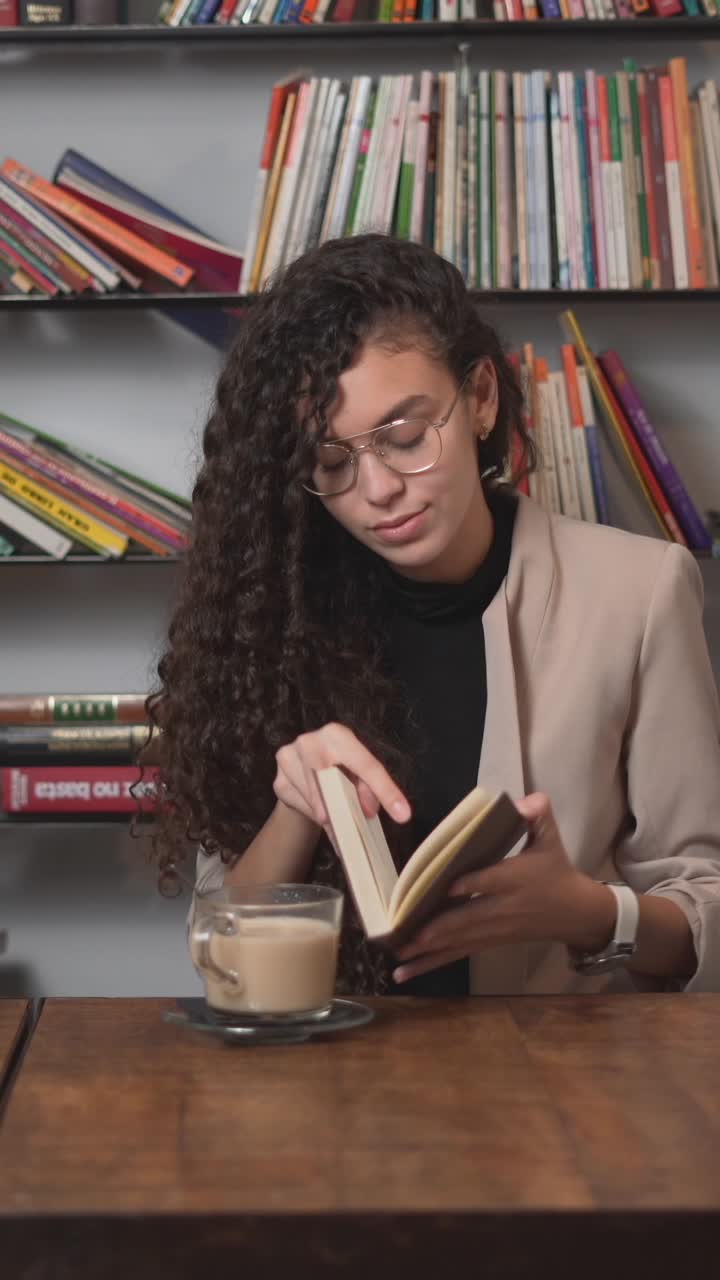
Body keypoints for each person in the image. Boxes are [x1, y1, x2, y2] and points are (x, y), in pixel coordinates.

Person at [147, 232, 720, 996]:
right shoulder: (274, 623)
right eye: (332, 461)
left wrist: (587, 913)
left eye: (406, 436)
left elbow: (705, 912)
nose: (378, 489)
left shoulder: (640, 592)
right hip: (334, 1059)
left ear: (480, 398)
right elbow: (221, 954)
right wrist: (296, 808)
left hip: (554, 1063)